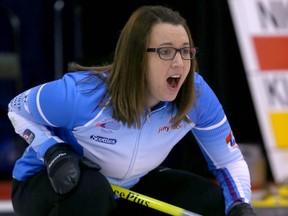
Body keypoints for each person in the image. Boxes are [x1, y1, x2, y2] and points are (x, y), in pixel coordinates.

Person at [7, 5, 256, 216]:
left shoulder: (196, 95)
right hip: (48, 185)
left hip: (127, 189)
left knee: (211, 201)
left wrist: (240, 206)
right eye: (166, 52)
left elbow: (228, 161)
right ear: (136, 57)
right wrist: (52, 151)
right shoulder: (83, 94)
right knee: (90, 189)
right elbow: (17, 108)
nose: (179, 63)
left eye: (185, 51)